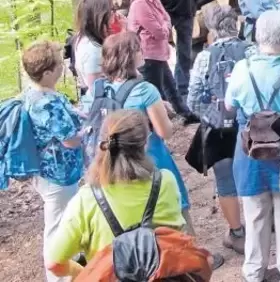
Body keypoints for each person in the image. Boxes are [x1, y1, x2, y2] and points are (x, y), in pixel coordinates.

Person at [45, 111, 186, 279]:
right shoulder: (165, 181)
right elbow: (177, 232)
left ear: (104, 144)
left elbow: (54, 263)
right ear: (145, 143)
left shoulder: (86, 199)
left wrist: (85, 273)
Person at [80, 33, 195, 236]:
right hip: (150, 157)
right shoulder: (145, 90)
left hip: (112, 163)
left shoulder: (95, 92)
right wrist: (163, 110)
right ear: (130, 56)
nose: (142, 52)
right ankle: (188, 256)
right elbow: (164, 131)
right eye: (138, 49)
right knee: (175, 208)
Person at [225, 10, 280, 281]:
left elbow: (230, 107)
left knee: (254, 216)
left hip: (249, 150)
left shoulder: (243, 68)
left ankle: (254, 272)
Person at [185, 5, 247, 256]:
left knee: (225, 179)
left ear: (211, 29)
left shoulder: (204, 58)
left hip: (217, 130)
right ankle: (265, 220)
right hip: (249, 125)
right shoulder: (250, 51)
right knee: (257, 170)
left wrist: (215, 116)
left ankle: (237, 233)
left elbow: (192, 100)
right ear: (236, 23)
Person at [21, 41, 84, 282]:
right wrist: (88, 131)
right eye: (59, 65)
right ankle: (58, 276)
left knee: (64, 220)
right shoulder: (46, 103)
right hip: (57, 174)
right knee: (57, 227)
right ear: (47, 72)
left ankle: (70, 267)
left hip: (50, 171)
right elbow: (70, 140)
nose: (63, 67)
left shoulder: (34, 94)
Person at [127, 0, 192, 118]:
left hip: (158, 54)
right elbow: (160, 32)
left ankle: (185, 114)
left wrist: (164, 25)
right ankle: (158, 127)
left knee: (171, 88)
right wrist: (164, 26)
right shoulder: (140, 3)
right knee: (155, 95)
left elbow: (166, 20)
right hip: (148, 58)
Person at [74, 0, 115, 91]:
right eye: (111, 10)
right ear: (101, 17)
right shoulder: (94, 51)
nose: (114, 13)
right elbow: (96, 91)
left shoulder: (83, 37)